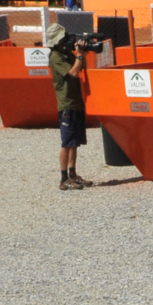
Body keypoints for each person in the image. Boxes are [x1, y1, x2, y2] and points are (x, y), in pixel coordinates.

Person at [47, 21, 92, 190]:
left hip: (76, 102)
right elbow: (73, 72)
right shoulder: (56, 57)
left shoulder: (66, 53)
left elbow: (82, 66)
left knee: (74, 142)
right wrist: (79, 55)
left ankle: (73, 174)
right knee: (66, 143)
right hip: (66, 104)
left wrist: (82, 53)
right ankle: (63, 178)